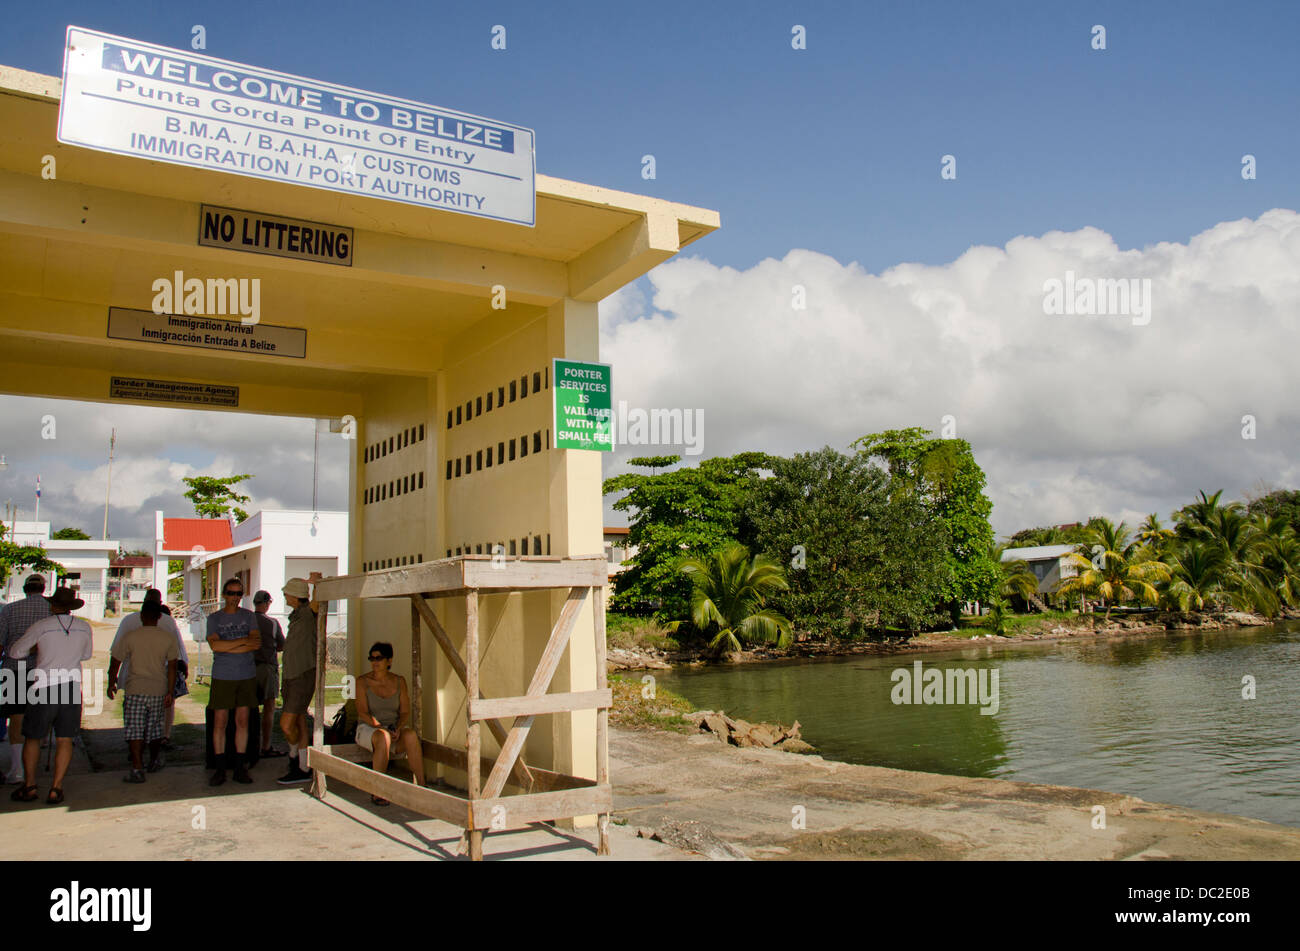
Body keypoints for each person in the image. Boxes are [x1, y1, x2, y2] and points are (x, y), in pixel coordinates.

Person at [6, 587, 93, 804]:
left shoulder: (42, 626)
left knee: (33, 738)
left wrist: (36, 649)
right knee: (65, 739)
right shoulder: (84, 627)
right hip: (71, 687)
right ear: (72, 607)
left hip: (43, 687)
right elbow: (87, 654)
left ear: (53, 605)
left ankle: (30, 786)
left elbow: (15, 652)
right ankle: (56, 787)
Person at [110, 588, 188, 761]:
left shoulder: (129, 624)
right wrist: (171, 688)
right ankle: (154, 757)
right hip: (159, 683)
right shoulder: (167, 624)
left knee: (134, 723)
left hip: (134, 682)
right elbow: (176, 660)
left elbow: (115, 656)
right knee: (155, 725)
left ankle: (136, 760)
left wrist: (111, 681)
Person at [205, 578, 260, 786]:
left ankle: (240, 767)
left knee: (242, 721)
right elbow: (215, 646)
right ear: (223, 594)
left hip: (246, 675)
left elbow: (255, 643)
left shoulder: (249, 616)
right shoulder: (214, 618)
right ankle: (220, 768)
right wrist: (242, 641)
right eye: (230, 593)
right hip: (222, 675)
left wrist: (228, 644)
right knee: (220, 721)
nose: (234, 598)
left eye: (238, 594)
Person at [354, 641, 425, 805]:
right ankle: (378, 790)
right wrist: (380, 727)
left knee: (411, 735)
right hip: (368, 728)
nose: (375, 662)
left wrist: (399, 728)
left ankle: (422, 785)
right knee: (383, 737)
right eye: (371, 658)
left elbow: (405, 711)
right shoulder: (362, 682)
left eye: (379, 658)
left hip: (392, 728)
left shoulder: (399, 681)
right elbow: (362, 713)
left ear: (389, 661)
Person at [0, 574, 51, 784]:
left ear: (24, 589)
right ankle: (32, 768)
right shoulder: (51, 610)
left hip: (14, 669)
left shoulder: (9, 609)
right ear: (43, 589)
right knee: (39, 718)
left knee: (16, 718)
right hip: (44, 669)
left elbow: (1, 644)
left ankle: (17, 769)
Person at [276, 573, 323, 785]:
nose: (285, 596)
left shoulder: (306, 613)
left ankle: (294, 757)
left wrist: (314, 583)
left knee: (286, 725)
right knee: (300, 722)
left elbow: (317, 602)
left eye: (287, 593)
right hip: (291, 676)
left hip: (301, 675)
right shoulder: (296, 615)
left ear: (295, 596)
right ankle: (304, 768)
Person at [252, 590, 285, 758]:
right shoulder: (271, 623)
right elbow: (281, 644)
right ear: (266, 603)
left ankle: (248, 745)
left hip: (248, 668)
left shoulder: (247, 620)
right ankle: (265, 746)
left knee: (248, 707)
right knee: (269, 707)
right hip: (267, 667)